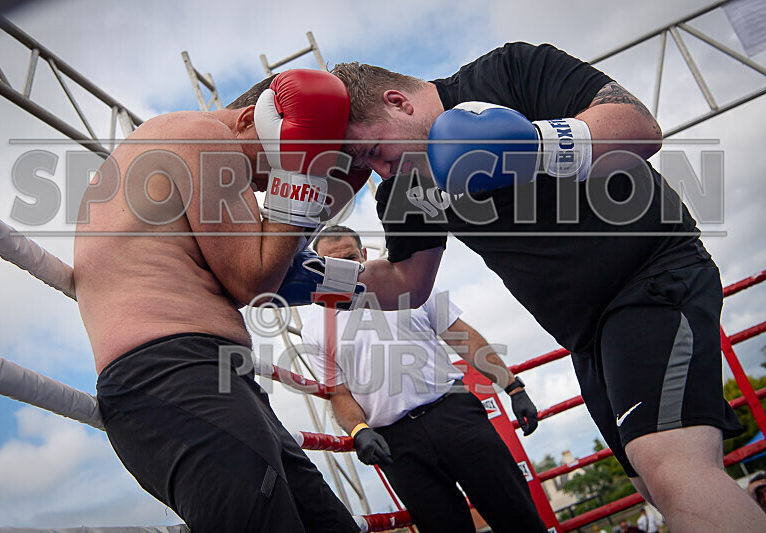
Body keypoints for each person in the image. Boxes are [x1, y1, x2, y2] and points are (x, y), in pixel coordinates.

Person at [323, 42, 766, 531]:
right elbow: (408, 284)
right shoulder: (404, 187)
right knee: (654, 483)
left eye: (374, 152)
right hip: (586, 338)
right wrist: (310, 276)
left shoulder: (506, 73)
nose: (381, 171)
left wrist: (530, 146)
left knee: (669, 466)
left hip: (651, 278)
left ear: (398, 102)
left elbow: (639, 128)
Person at [74, 69, 369, 532]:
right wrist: (303, 177)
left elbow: (273, 269)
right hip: (174, 378)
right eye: (268, 170)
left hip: (206, 377)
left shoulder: (169, 144)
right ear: (250, 119)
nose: (261, 190)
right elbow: (254, 279)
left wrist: (349, 268)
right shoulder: (202, 136)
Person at [300, 225, 545, 533]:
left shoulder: (408, 283)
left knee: (517, 515)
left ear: (363, 255)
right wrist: (359, 430)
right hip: (397, 442)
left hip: (454, 414)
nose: (344, 269)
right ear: (321, 267)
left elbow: (462, 337)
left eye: (350, 259)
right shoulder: (314, 326)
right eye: (333, 263)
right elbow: (339, 393)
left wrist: (513, 386)